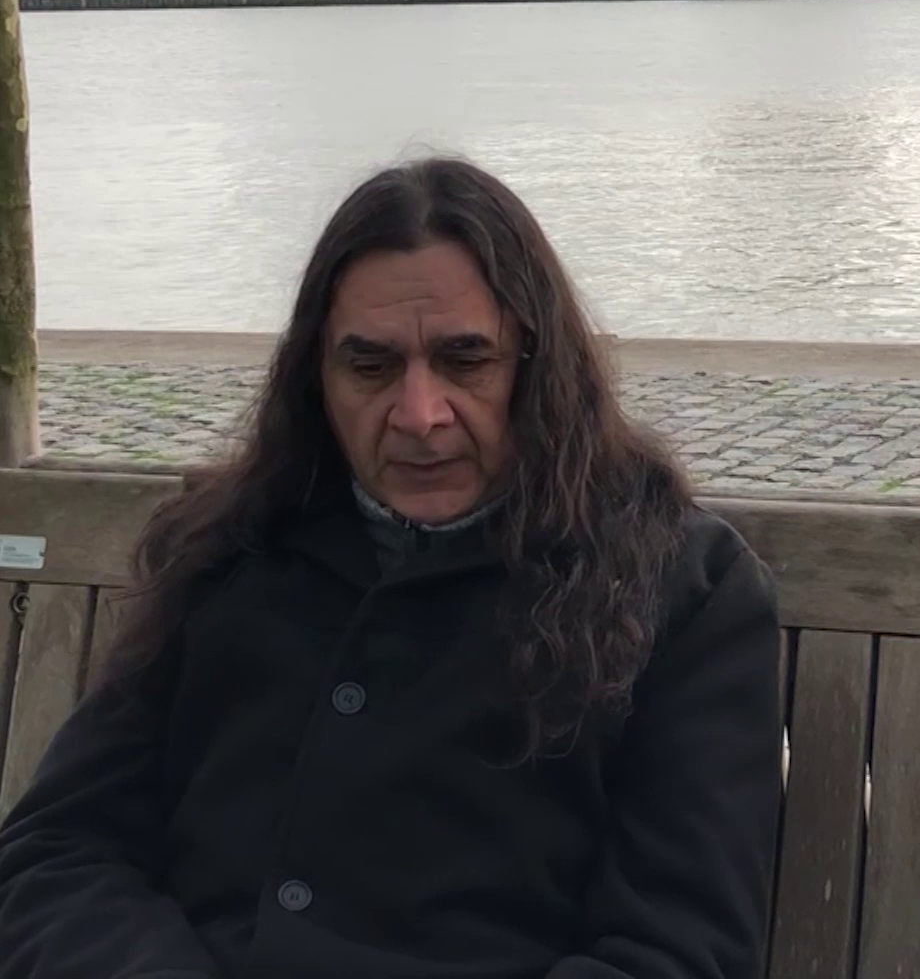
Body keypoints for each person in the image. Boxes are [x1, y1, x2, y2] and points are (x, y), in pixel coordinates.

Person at [0, 158, 785, 979]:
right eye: (370, 367)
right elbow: (59, 852)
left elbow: (673, 950)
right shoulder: (226, 551)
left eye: (466, 361)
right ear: (316, 376)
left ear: (538, 365)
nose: (419, 415)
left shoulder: (681, 591)